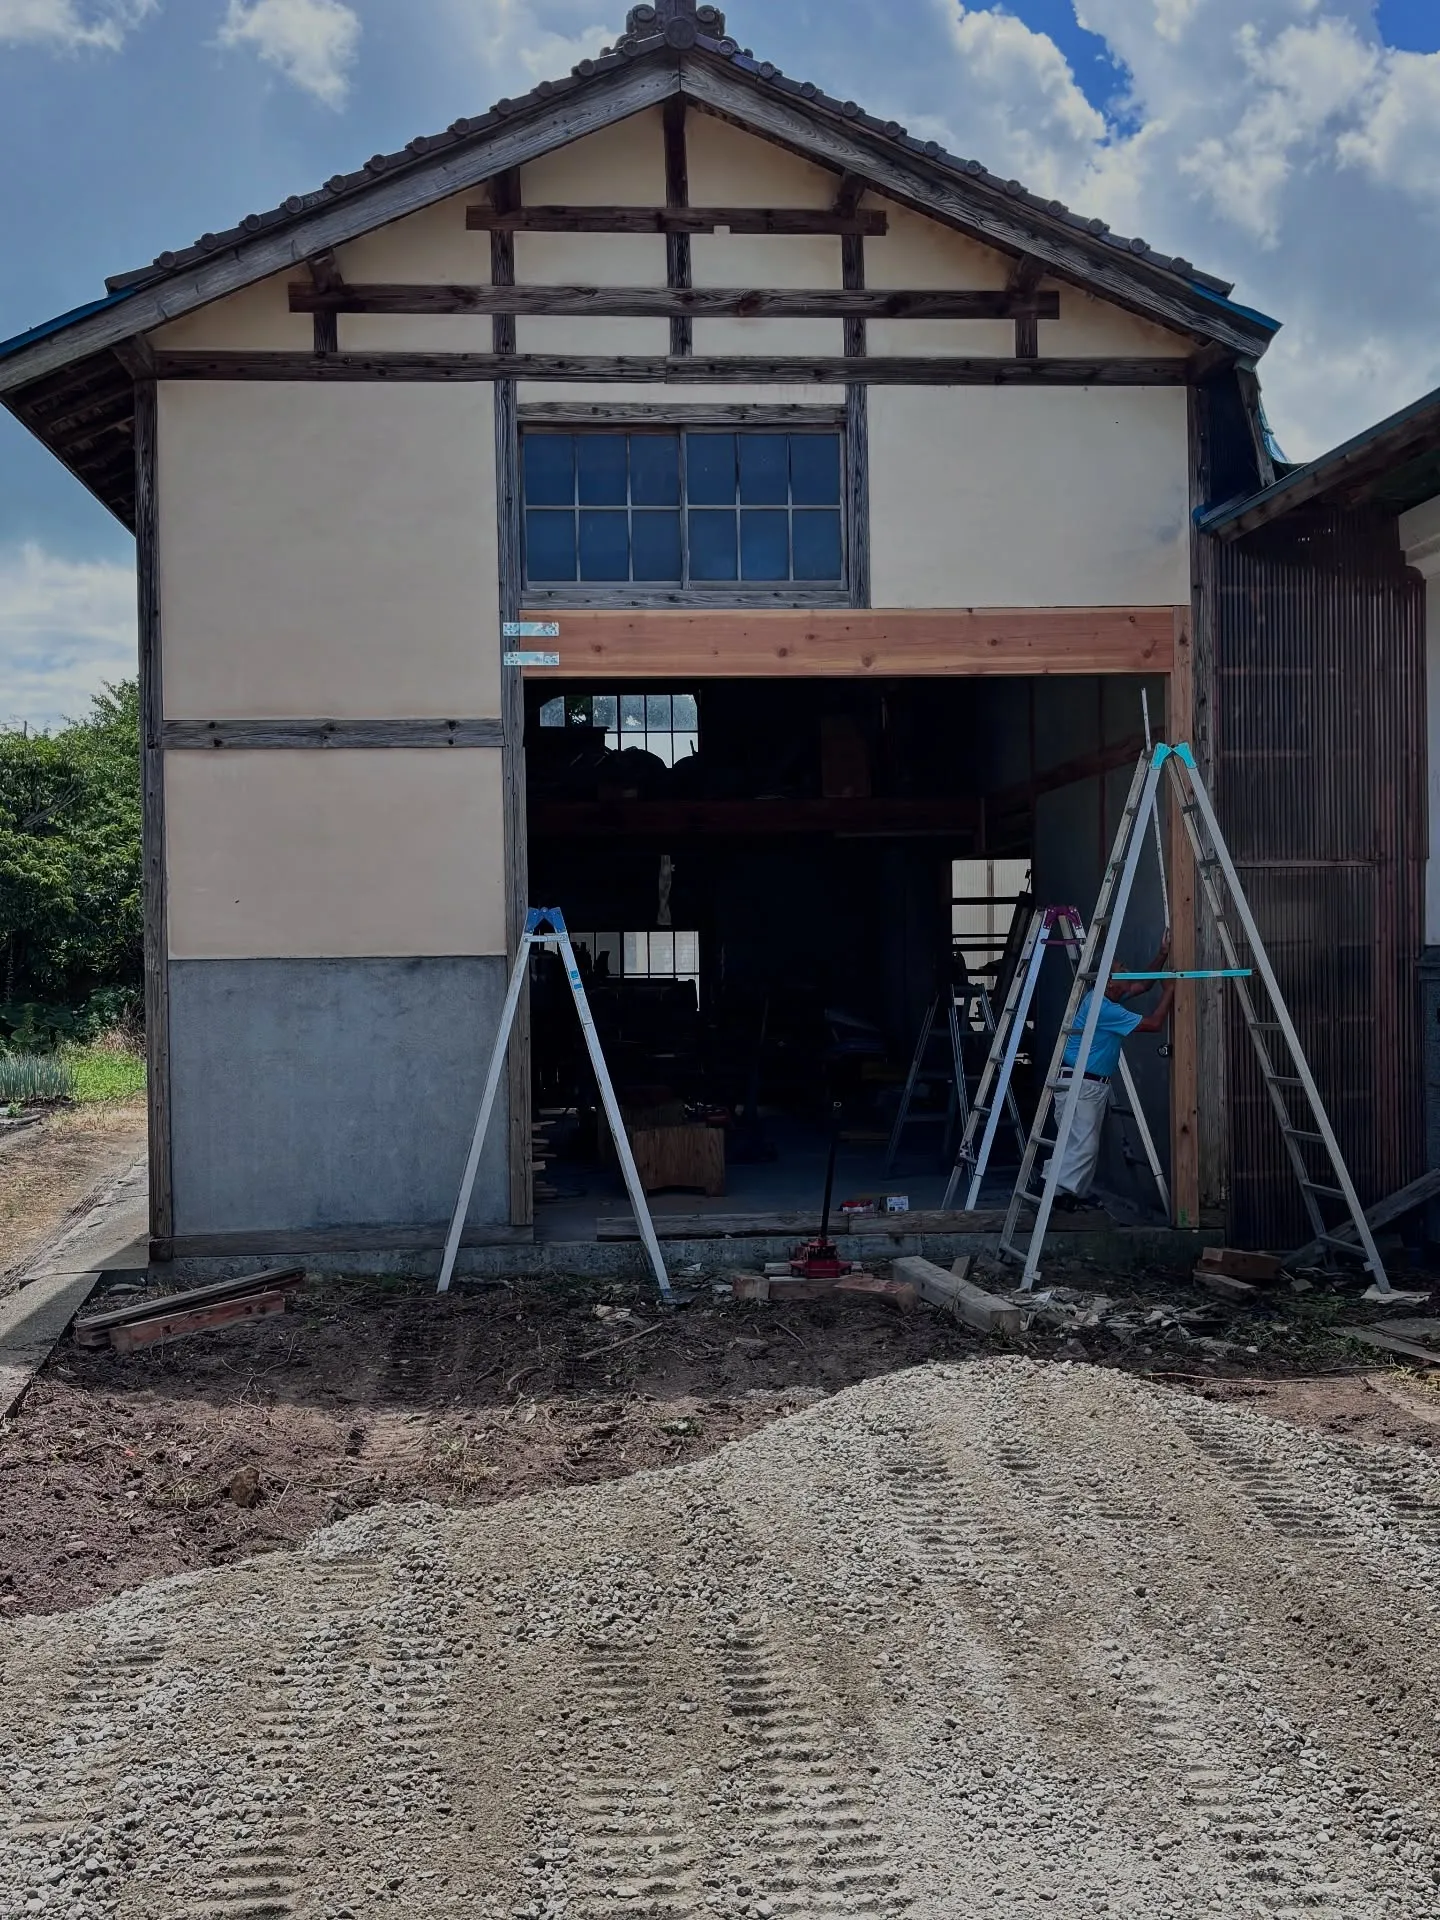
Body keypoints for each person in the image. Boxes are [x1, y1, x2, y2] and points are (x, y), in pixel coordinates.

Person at [1047, 936, 1176, 1209]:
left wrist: (1162, 953)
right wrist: (1171, 991)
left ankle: (1069, 1193)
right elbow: (1153, 1024)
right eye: (1121, 968)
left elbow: (1144, 983)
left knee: (1079, 1143)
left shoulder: (1102, 997)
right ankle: (1059, 1195)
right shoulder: (1103, 1007)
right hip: (1082, 1085)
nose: (1128, 970)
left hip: (1083, 1084)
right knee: (1083, 1145)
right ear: (1108, 981)